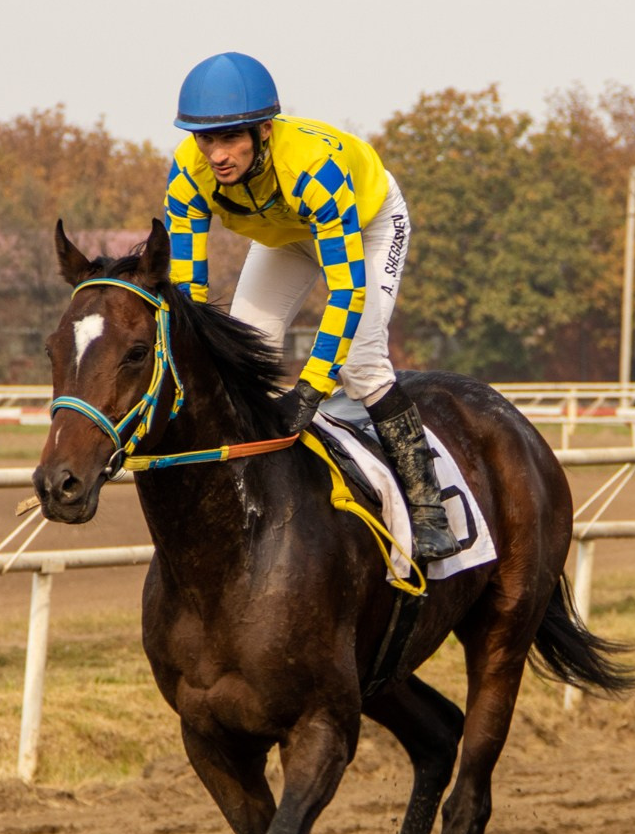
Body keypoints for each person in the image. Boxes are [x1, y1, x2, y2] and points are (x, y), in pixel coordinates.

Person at [163, 51, 460, 561]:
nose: (217, 155)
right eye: (206, 139)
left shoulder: (312, 170)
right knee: (238, 347)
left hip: (365, 223)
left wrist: (311, 387)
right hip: (286, 236)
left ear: (265, 132)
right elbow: (187, 292)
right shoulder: (187, 176)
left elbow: (345, 292)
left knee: (361, 364)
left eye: (231, 137)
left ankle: (429, 507)